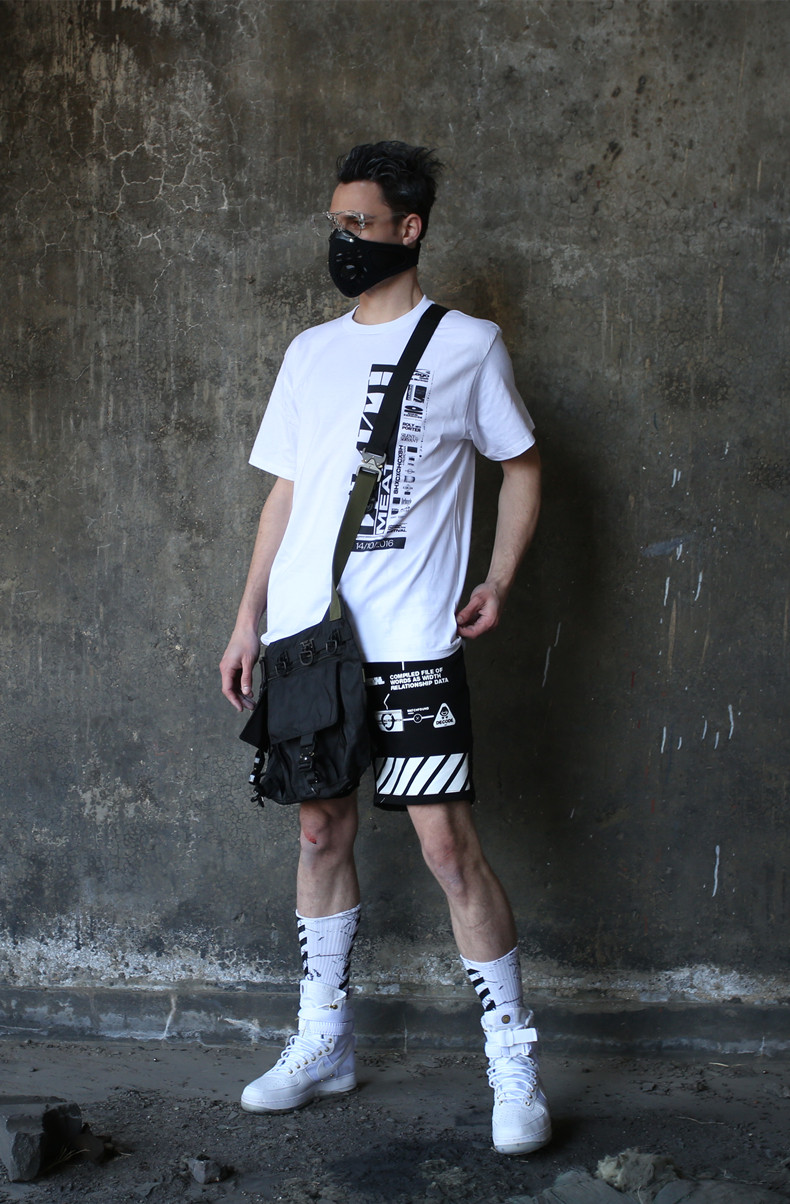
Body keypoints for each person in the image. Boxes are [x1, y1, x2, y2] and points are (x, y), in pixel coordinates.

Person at [219, 141, 549, 1156]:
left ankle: (513, 1061)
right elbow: (286, 494)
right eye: (337, 223)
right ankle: (324, 1041)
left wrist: (497, 579)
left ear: (410, 229)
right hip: (308, 638)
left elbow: (523, 465)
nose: (343, 241)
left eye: (359, 224)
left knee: (446, 847)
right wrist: (247, 616)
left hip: (411, 637)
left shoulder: (468, 345)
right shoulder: (308, 353)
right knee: (320, 832)